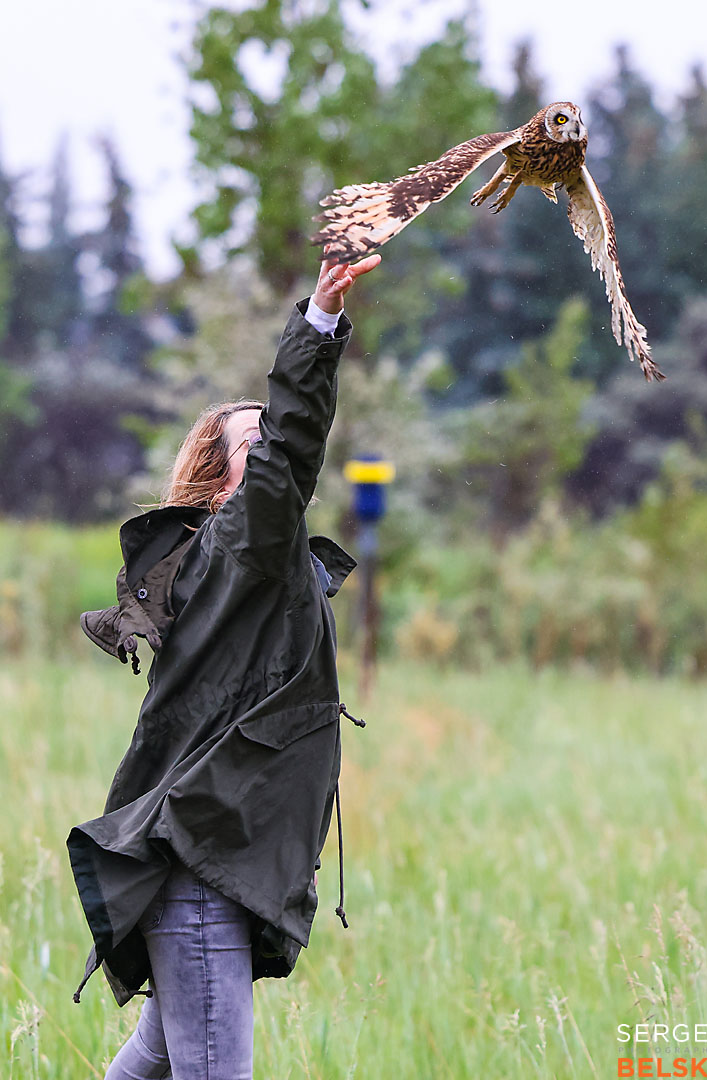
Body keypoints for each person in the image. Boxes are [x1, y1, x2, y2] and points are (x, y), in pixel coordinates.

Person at [66, 251, 382, 1080]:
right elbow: (290, 453)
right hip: (204, 867)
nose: (274, 446)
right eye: (256, 440)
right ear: (221, 481)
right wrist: (318, 324)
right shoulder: (238, 546)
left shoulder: (244, 568)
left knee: (154, 1058)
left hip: (206, 859)